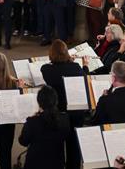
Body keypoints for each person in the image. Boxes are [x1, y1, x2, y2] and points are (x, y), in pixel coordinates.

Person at [41, 39, 83, 169]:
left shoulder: (46, 70)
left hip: (57, 111)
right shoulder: (76, 67)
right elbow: (83, 78)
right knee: (74, 145)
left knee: (56, 143)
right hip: (75, 111)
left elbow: (52, 69)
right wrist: (82, 65)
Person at [18, 85, 70, 169]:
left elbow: (23, 141)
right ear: (55, 101)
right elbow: (66, 136)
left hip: (35, 164)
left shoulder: (32, 121)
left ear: (39, 102)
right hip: (57, 164)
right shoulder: (64, 119)